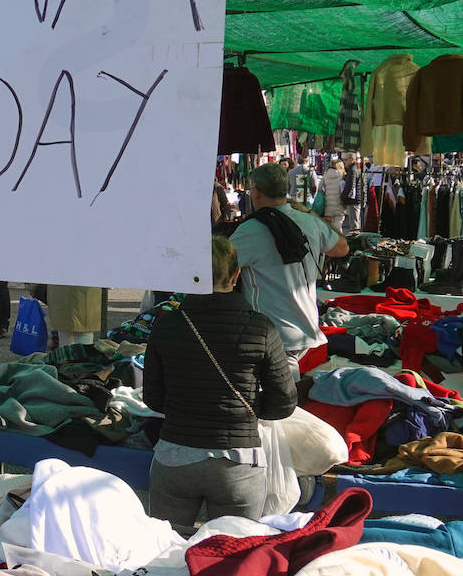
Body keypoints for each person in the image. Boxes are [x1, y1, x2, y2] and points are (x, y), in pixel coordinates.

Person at [143, 237, 298, 535]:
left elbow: (153, 397)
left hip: (176, 456)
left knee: (164, 552)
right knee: (230, 558)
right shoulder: (260, 327)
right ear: (236, 275)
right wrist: (250, 407)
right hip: (239, 463)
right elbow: (284, 403)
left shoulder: (167, 325)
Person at [229, 162, 349, 371]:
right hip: (310, 336)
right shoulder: (309, 221)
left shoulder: (251, 230)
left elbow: (218, 269)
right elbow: (342, 248)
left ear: (256, 192)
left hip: (276, 342)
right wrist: (309, 217)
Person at [340, 151, 366, 232]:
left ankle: (355, 242)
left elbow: (350, 186)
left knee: (354, 226)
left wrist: (343, 197)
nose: (344, 162)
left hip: (353, 200)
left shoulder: (353, 170)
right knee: (355, 223)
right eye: (343, 160)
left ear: (352, 159)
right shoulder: (355, 169)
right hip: (356, 199)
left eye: (345, 160)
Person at [321, 159, 346, 230]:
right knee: (338, 225)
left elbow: (319, 188)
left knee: (330, 227)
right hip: (339, 204)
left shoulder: (326, 174)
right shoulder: (342, 175)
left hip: (328, 205)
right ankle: (340, 240)